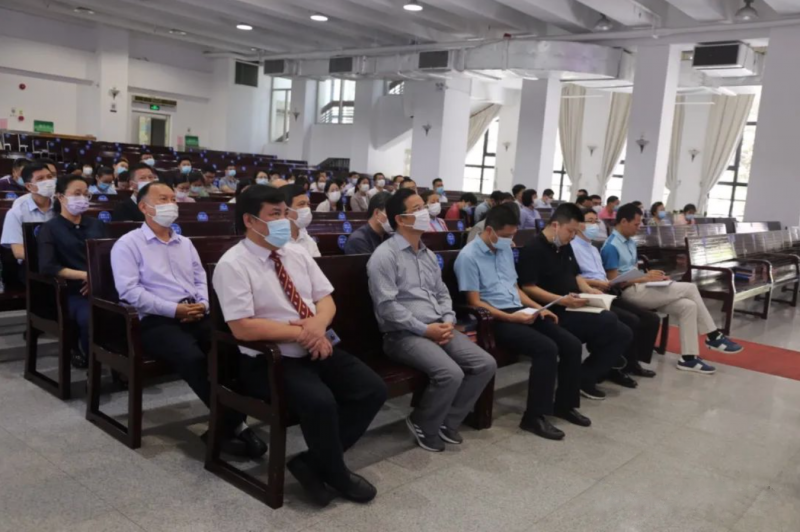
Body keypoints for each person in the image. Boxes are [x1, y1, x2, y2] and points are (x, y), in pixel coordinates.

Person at [214, 185, 387, 506]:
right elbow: (242, 327)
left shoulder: (296, 252)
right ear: (251, 221)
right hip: (270, 359)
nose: (284, 220)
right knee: (320, 402)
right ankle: (336, 473)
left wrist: (318, 326)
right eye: (275, 215)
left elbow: (326, 299)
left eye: (285, 213)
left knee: (372, 389)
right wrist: (302, 334)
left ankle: (311, 462)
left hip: (317, 344)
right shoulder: (233, 264)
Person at [111, 181, 267, 459]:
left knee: (233, 348)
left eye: (173, 198)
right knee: (193, 358)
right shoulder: (128, 244)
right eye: (163, 199)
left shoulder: (185, 243)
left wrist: (203, 304)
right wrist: (174, 309)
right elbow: (130, 292)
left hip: (195, 312)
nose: (171, 204)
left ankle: (225, 425)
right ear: (144, 207)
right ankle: (236, 424)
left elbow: (200, 279)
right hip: (154, 321)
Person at [368, 189, 496, 452]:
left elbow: (440, 292)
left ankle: (447, 422)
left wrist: (448, 320)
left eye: (423, 206)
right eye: (417, 209)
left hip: (438, 325)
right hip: (403, 334)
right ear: (400, 219)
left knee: (485, 363)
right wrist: (425, 329)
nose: (425, 212)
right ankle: (423, 423)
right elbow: (387, 307)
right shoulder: (384, 256)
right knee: (450, 373)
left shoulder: (426, 253)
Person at [455, 204, 587, 440]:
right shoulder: (468, 256)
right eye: (505, 236)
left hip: (519, 310)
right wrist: (510, 317)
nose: (510, 240)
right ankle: (534, 417)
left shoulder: (504, 250)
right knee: (546, 349)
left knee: (571, 344)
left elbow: (515, 288)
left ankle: (565, 405)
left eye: (513, 235)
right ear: (489, 230)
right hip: (495, 319)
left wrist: (539, 308)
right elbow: (474, 302)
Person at [602, 204, 744, 375]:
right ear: (623, 221)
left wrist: (650, 275)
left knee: (688, 306)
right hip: (628, 293)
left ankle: (689, 358)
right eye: (636, 224)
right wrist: (645, 278)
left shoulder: (630, 242)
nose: (639, 227)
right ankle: (713, 336)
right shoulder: (611, 246)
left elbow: (631, 270)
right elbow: (614, 281)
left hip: (642, 287)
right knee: (690, 288)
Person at [518, 203, 632, 400]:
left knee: (624, 332)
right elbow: (528, 287)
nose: (572, 236)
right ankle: (579, 377)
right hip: (554, 309)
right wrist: (562, 300)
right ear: (556, 225)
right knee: (608, 320)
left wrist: (587, 289)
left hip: (572, 301)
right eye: (570, 231)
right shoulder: (533, 249)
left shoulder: (563, 245)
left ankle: (586, 376)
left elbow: (576, 274)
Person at [572, 209, 659, 380]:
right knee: (630, 320)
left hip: (607, 291)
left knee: (650, 318)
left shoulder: (592, 248)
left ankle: (632, 363)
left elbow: (603, 275)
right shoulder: (573, 247)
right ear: (578, 224)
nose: (594, 225)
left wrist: (609, 283)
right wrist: (600, 284)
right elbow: (576, 279)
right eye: (590, 221)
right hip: (591, 293)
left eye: (596, 221)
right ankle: (614, 368)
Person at [38, 174, 107, 368]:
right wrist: (86, 276)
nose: (83, 198)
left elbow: (110, 256)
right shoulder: (50, 228)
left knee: (131, 310)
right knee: (90, 317)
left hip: (101, 287)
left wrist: (99, 279)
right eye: (77, 194)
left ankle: (120, 360)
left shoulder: (96, 225)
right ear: (60, 197)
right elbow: (48, 266)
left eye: (86, 194)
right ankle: (93, 364)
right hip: (73, 290)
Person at [1, 162, 56, 262]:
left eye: (49, 177)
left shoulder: (62, 206)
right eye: (40, 179)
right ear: (29, 186)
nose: (48, 181)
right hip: (31, 265)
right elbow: (18, 252)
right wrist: (49, 259)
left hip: (62, 264)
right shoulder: (16, 212)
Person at [283, 184, 320, 258]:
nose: (307, 208)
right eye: (301, 204)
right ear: (286, 210)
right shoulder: (276, 241)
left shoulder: (309, 242)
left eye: (308, 204)